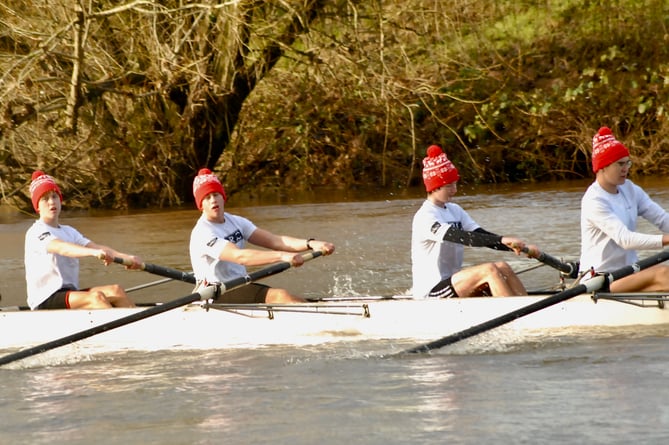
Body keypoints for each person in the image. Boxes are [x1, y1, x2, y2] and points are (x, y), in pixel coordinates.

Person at [189, 168, 335, 303]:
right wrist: (282, 256)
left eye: (215, 194)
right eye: (207, 197)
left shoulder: (236, 221)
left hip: (239, 285)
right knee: (280, 296)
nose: (213, 200)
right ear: (201, 205)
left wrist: (311, 244)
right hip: (215, 293)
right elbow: (240, 257)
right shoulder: (203, 232)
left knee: (289, 297)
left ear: (223, 197)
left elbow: (275, 241)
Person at [411, 145, 539, 299]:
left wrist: (517, 247)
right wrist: (503, 240)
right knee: (489, 270)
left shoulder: (455, 210)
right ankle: (515, 317)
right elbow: (463, 237)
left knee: (503, 267)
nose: (455, 190)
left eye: (455, 184)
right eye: (449, 186)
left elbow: (480, 235)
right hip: (431, 291)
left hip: (454, 283)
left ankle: (525, 308)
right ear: (435, 187)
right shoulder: (425, 216)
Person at [24, 171, 143, 310]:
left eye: (54, 196)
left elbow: (97, 246)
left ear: (60, 200)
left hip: (69, 293)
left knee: (117, 291)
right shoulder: (36, 232)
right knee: (96, 298)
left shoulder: (69, 231)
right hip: (45, 298)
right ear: (37, 206)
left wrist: (128, 257)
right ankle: (115, 330)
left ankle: (138, 327)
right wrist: (93, 253)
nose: (51, 202)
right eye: (45, 199)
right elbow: (62, 247)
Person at [579, 126, 669, 292]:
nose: (625, 168)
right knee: (663, 274)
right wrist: (666, 240)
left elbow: (662, 219)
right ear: (603, 166)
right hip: (600, 279)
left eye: (627, 162)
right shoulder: (594, 200)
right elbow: (625, 239)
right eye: (620, 164)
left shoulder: (630, 189)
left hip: (627, 273)